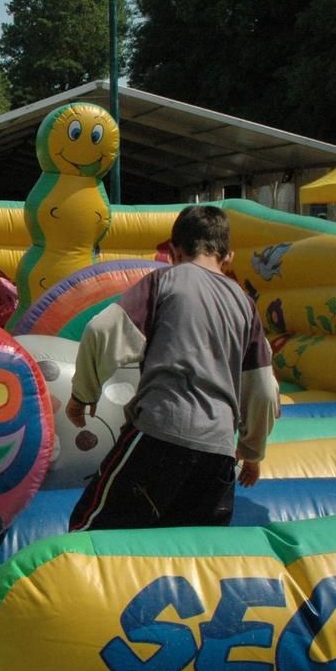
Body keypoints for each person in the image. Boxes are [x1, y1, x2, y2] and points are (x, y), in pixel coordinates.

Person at [65, 206, 278, 530]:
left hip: (158, 434)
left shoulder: (164, 281)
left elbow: (100, 331)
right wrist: (252, 451)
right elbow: (262, 388)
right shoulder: (244, 303)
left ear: (175, 252)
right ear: (228, 257)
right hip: (218, 452)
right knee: (190, 554)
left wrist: (82, 395)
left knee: (89, 533)